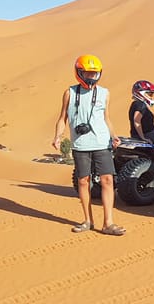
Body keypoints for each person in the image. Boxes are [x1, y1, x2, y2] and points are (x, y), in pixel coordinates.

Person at [51, 54, 125, 236]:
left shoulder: (104, 93)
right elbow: (62, 118)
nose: (91, 77)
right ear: (79, 73)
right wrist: (58, 136)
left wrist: (114, 135)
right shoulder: (69, 93)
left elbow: (106, 118)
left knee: (108, 180)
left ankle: (108, 223)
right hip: (80, 144)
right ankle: (87, 220)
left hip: (101, 142)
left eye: (94, 73)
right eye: (88, 73)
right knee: (83, 181)